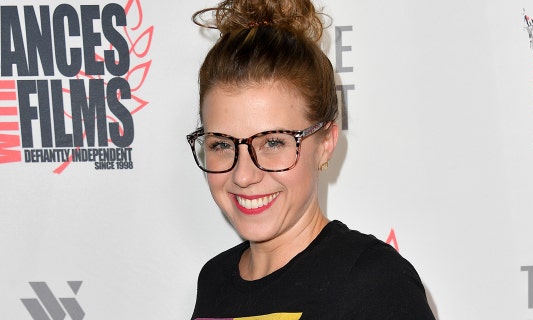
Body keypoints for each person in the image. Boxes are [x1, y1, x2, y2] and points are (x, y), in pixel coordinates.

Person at [186, 0, 436, 319]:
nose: (243, 176)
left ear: (326, 143)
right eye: (221, 145)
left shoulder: (376, 283)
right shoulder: (214, 279)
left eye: (273, 142)